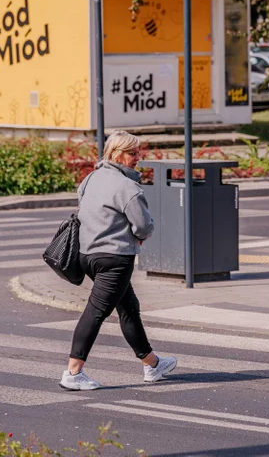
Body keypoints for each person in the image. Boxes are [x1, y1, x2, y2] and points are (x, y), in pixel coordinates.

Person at [60, 130, 177, 390]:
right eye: (132, 153)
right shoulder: (127, 187)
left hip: (87, 255)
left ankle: (153, 364)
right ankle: (73, 373)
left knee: (128, 308)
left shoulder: (90, 179)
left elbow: (87, 210)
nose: (138, 157)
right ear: (116, 154)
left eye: (139, 152)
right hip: (115, 259)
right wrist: (139, 235)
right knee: (96, 312)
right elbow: (144, 226)